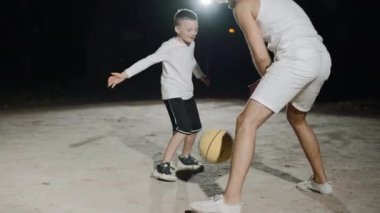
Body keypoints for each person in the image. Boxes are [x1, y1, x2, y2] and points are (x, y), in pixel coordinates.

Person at [190, 0, 332, 212]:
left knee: (246, 121)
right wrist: (272, 81)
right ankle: (321, 182)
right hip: (321, 59)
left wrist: (269, 79)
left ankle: (230, 201)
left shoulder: (242, 6)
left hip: (297, 59)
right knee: (297, 118)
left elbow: (260, 54)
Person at [107, 9, 210, 182]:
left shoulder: (191, 44)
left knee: (194, 128)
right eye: (188, 29)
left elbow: (191, 61)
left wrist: (200, 75)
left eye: (196, 29)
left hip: (187, 92)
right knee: (183, 128)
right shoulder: (169, 46)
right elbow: (148, 60)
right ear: (177, 29)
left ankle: (184, 158)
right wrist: (125, 74)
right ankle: (163, 166)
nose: (193, 33)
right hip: (172, 92)